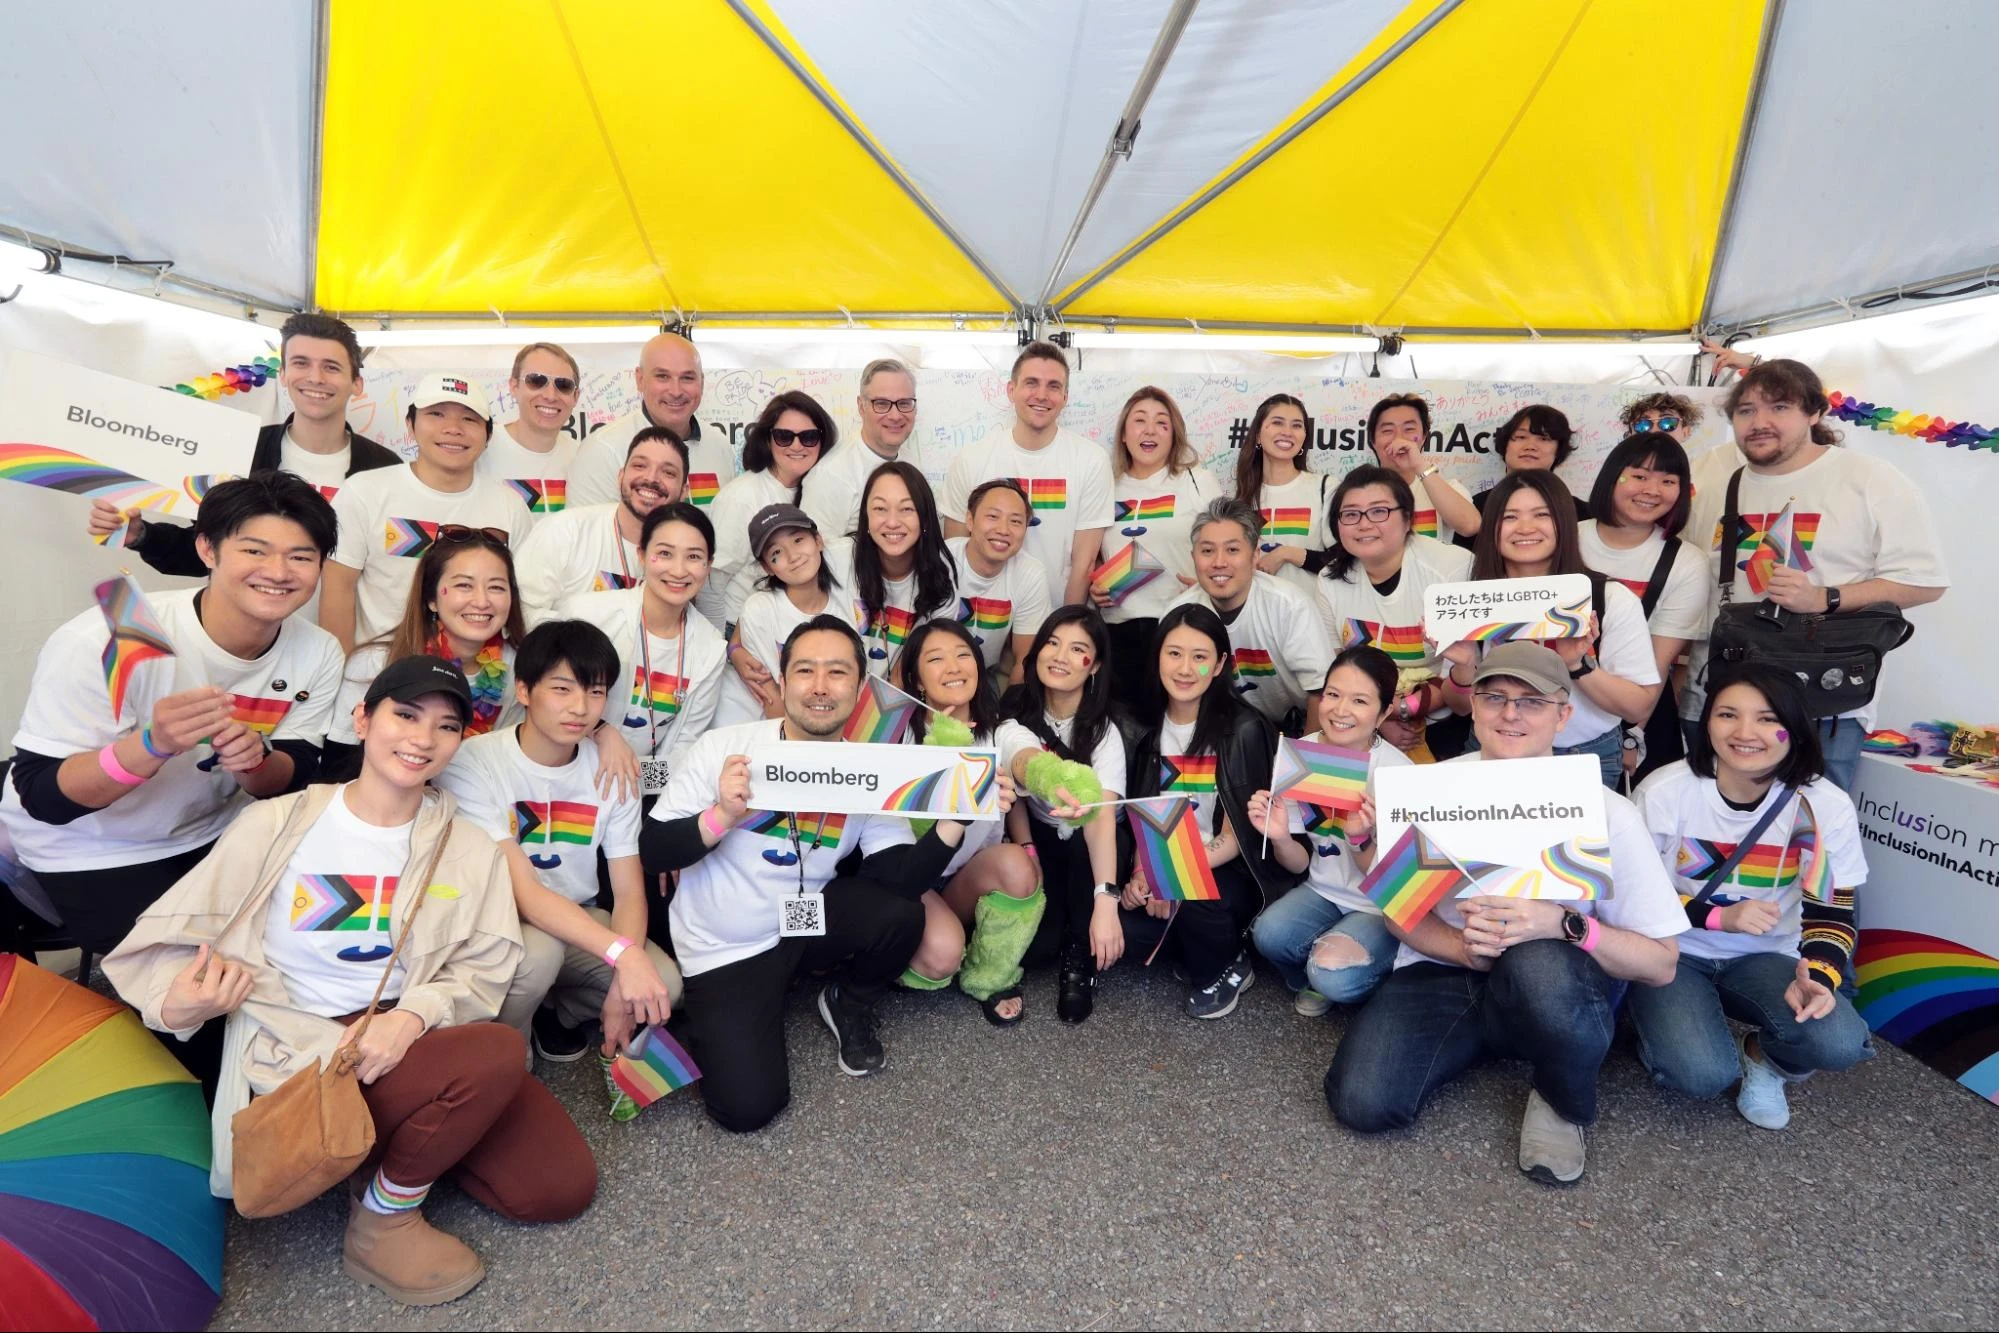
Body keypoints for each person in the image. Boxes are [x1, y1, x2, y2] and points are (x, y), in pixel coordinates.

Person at [100, 655, 594, 1307]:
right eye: (405, 714)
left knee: (557, 1187)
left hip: (416, 1041)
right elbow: (165, 941)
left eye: (446, 726)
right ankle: (384, 1215)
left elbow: (486, 964)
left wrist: (412, 1014)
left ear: (458, 742)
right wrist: (182, 1000)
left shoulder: (466, 845)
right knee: (498, 1051)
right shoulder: (277, 824)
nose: (422, 738)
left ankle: (381, 1148)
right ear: (363, 718)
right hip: (307, 1051)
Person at [1326, 642, 1686, 1185]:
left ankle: (1561, 1095)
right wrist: (1460, 949)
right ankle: (1498, 1033)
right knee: (1362, 1103)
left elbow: (1661, 963)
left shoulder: (1606, 810)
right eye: (1494, 697)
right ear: (1472, 705)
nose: (1510, 714)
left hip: (1553, 976)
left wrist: (1561, 924)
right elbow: (1401, 915)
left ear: (1564, 715)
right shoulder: (1430, 791)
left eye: (1532, 701)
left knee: (1538, 966)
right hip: (1446, 969)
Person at [642, 616, 977, 1132]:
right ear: (781, 680)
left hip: (805, 921)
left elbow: (900, 878)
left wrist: (957, 819)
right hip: (728, 947)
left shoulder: (870, 765)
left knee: (902, 913)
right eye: (805, 671)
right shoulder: (722, 749)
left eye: (838, 672)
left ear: (860, 688)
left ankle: (848, 999)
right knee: (748, 1109)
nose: (820, 688)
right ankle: (728, 1016)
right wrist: (720, 817)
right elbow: (654, 851)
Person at [1, 475, 343, 959]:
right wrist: (150, 746)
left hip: (218, 834)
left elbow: (293, 770)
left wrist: (256, 763)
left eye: (301, 556)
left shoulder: (317, 648)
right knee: (203, 986)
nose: (278, 571)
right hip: (95, 849)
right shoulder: (119, 628)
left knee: (320, 943)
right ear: (207, 548)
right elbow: (44, 798)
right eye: (254, 550)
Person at [1682, 358, 1948, 791]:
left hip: (1823, 708)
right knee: (1713, 837)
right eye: (1746, 410)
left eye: (1780, 407)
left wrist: (1827, 598)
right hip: (1718, 702)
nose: (1760, 422)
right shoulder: (1715, 480)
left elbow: (1926, 581)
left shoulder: (1870, 479)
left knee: (1814, 840)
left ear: (1815, 412)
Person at [1629, 666, 1872, 1130]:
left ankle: (1763, 1057)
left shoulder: (1823, 804)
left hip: (1766, 957)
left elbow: (1832, 909)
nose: (1745, 733)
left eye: (1766, 718)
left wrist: (1819, 972)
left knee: (1838, 1041)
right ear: (1708, 722)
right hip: (1673, 953)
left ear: (1794, 727)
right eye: (1727, 714)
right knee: (1699, 1075)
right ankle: (1655, 1032)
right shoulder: (1665, 792)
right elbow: (1637, 903)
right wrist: (1722, 919)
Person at [432, 620, 681, 1064]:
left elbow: (627, 892)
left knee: (666, 986)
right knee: (541, 954)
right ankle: (505, 1049)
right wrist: (622, 956)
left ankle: (559, 1012)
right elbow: (524, 895)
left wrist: (625, 981)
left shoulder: (613, 769)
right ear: (524, 691)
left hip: (582, 919)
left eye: (595, 692)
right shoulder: (475, 762)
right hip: (503, 923)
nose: (580, 708)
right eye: (562, 689)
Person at [88, 312, 399, 569]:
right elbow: (206, 553)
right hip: (251, 638)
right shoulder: (244, 453)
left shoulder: (387, 469)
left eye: (331, 367)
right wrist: (142, 535)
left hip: (350, 638)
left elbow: (395, 566)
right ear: (284, 375)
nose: (315, 378)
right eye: (301, 363)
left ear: (356, 383)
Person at [1116, 605, 1301, 1018]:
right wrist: (1143, 874)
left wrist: (1171, 876)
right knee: (1124, 931)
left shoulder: (1244, 729)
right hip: (1165, 861)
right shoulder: (1142, 728)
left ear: (1219, 665)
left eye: (1200, 657)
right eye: (1174, 653)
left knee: (1195, 900)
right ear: (1158, 657)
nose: (1185, 668)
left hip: (1230, 870)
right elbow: (1140, 815)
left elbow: (1239, 837)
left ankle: (1227, 965)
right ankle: (1195, 937)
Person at [1444, 471, 1660, 787]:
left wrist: (1578, 665)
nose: (1526, 528)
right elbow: (1461, 706)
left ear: (1564, 524)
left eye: (1541, 515)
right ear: (1492, 528)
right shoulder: (1474, 599)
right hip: (1493, 749)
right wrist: (1464, 665)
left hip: (1584, 756)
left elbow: (1638, 705)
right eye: (1510, 517)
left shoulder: (1608, 598)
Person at [1248, 646, 1413, 1014]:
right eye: (1332, 695)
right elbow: (1297, 864)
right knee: (1268, 935)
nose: (1340, 710)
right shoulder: (1299, 755)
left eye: (1359, 700)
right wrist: (1279, 836)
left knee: (1332, 976)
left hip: (1378, 906)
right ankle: (1327, 955)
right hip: (1321, 890)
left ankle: (1380, 966)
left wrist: (1360, 840)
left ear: (1384, 711)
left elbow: (1402, 888)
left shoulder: (1397, 774)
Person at [891, 619, 1041, 1024]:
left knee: (1017, 865)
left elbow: (1025, 755)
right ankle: (898, 952)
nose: (954, 667)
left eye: (963, 655)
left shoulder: (1000, 731)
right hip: (909, 881)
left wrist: (1048, 774)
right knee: (941, 954)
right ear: (917, 680)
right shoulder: (898, 734)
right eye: (936, 659)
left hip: (964, 879)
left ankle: (989, 974)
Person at [322, 374, 534, 654]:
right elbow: (338, 587)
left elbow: (524, 599)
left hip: (476, 680)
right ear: (410, 425)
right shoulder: (364, 491)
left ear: (488, 436)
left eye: (469, 419)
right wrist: (340, 673)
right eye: (436, 414)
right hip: (378, 676)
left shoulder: (510, 506)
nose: (453, 429)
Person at [995, 606, 1127, 1024]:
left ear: (1095, 666)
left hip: (1094, 840)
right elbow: (1013, 784)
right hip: (1040, 833)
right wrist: (1026, 847)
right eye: (1052, 642)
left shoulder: (1105, 727)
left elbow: (1101, 819)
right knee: (1038, 950)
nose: (1060, 656)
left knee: (1083, 906)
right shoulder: (1017, 705)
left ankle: (1079, 960)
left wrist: (1106, 902)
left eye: (1077, 649)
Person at [562, 502, 728, 805]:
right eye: (664, 553)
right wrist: (601, 731)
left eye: (694, 557)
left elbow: (684, 747)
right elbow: (550, 698)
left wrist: (632, 782)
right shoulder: (589, 614)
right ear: (641, 555)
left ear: (709, 565)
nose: (679, 570)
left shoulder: (711, 647)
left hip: (642, 795)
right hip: (567, 778)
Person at [326, 530, 529, 777]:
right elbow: (338, 765)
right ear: (431, 598)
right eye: (464, 585)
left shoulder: (521, 668)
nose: (482, 601)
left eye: (496, 587)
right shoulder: (375, 662)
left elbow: (511, 764)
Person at [1313, 466, 1472, 762]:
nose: (1363, 524)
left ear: (1408, 518)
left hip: (1444, 724)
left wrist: (1402, 709)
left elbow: (1462, 699)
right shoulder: (1330, 581)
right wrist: (1381, 720)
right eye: (1350, 514)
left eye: (1378, 512)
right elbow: (1338, 672)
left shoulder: (1451, 569)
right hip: (1364, 722)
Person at [940, 340, 1112, 609]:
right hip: (982, 624)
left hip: (1056, 616)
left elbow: (1084, 564)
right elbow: (954, 556)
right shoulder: (971, 459)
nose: (1042, 395)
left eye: (1054, 386)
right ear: (1011, 390)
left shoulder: (1091, 460)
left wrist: (1061, 631)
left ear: (1065, 397)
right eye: (1031, 383)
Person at [1579, 434, 1711, 783]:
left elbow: (1656, 663)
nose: (1652, 490)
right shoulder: (1567, 537)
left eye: (1668, 481)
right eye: (1639, 476)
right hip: (1554, 701)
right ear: (1613, 476)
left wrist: (1631, 735)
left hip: (1635, 711)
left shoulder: (1687, 563)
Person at [1094, 386, 1213, 719]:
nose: (1149, 430)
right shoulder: (1105, 484)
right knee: (1125, 736)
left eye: (1161, 423)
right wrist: (1095, 581)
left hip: (1180, 627)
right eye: (1139, 421)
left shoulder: (1196, 481)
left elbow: (1227, 543)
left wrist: (1209, 583)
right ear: (1123, 434)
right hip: (1120, 633)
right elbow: (1089, 548)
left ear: (1174, 434)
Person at [1166, 498, 1333, 730]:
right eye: (1207, 551)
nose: (1219, 562)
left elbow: (1321, 692)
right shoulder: (1179, 614)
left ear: (1255, 555)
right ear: (1193, 556)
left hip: (1295, 726)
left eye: (1232, 550)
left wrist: (1305, 759)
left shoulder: (1290, 606)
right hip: (1220, 729)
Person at [511, 425, 688, 625]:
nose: (651, 478)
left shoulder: (684, 556)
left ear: (683, 491)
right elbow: (522, 611)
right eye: (640, 466)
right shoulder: (565, 531)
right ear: (621, 477)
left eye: (668, 472)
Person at [718, 505, 863, 725]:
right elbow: (773, 701)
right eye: (776, 553)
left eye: (798, 541)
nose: (793, 556)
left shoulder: (846, 565)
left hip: (865, 717)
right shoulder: (760, 612)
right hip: (803, 729)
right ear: (767, 567)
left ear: (818, 540)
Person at [704, 391, 833, 628]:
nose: (797, 445)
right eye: (784, 436)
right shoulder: (742, 497)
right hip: (739, 628)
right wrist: (720, 646)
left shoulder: (822, 490)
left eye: (809, 437)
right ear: (767, 440)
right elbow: (712, 579)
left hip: (792, 627)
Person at [567, 332, 734, 511]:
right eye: (662, 376)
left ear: (701, 383)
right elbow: (589, 534)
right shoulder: (602, 450)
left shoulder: (720, 446)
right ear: (640, 379)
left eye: (687, 378)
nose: (676, 391)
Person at [853, 461, 958, 681]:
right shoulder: (840, 559)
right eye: (880, 509)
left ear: (925, 517)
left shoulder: (940, 580)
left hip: (895, 700)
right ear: (866, 516)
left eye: (907, 509)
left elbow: (908, 675)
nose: (892, 522)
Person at [946, 479, 1052, 688]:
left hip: (983, 675)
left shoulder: (1030, 574)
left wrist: (1007, 717)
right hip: (931, 672)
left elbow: (1025, 661)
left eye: (1015, 521)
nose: (1003, 530)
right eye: (993, 517)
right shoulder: (941, 559)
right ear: (970, 520)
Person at [800, 358, 921, 538]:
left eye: (904, 403)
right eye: (881, 404)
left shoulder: (911, 462)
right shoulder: (831, 476)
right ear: (861, 406)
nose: (895, 415)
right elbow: (812, 555)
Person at [1232, 392, 1334, 600]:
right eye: (1277, 423)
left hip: (1310, 619)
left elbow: (1344, 561)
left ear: (1305, 436)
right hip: (1255, 621)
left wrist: (1287, 553)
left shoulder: (1325, 487)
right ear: (1258, 435)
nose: (1287, 432)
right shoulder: (1243, 498)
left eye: (1297, 425)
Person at [1453, 405, 1593, 549]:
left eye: (1544, 439)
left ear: (1559, 450)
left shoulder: (1582, 513)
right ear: (1505, 444)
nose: (1530, 446)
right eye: (1521, 437)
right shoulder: (1476, 508)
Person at [475, 343, 583, 515]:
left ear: (575, 397)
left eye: (563, 385)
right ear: (514, 386)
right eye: (536, 381)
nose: (550, 395)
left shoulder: (583, 457)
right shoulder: (480, 449)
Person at [1365, 393, 1479, 544]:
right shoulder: (1356, 491)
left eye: (1409, 429)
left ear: (1424, 437)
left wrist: (1419, 465)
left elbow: (1470, 526)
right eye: (1387, 430)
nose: (1399, 438)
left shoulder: (1446, 488)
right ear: (1373, 441)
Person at [1618, 391, 1703, 444]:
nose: (1655, 430)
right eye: (1642, 425)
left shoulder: (1702, 471)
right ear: (1630, 436)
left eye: (1668, 423)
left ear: (1685, 432)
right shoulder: (1618, 472)